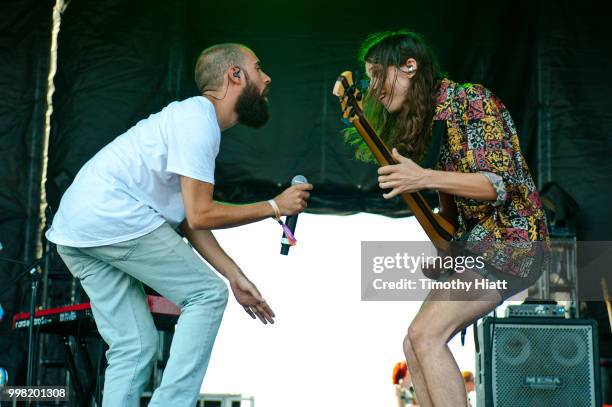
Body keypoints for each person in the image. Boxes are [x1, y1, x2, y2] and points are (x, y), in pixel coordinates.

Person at [46, 43, 313, 406]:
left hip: (76, 232)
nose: (267, 78)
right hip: (112, 217)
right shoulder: (198, 120)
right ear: (234, 75)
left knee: (134, 343)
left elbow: (190, 220)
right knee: (206, 295)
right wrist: (273, 206)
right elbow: (202, 214)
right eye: (258, 68)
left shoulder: (192, 121)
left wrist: (235, 275)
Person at [350, 30, 549, 406]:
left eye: (378, 74)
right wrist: (446, 255)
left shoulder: (470, 100)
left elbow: (497, 185)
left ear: (409, 66)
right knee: (413, 343)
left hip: (513, 242)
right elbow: (453, 211)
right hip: (481, 246)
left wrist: (421, 176)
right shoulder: (434, 121)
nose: (373, 87)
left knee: (427, 335)